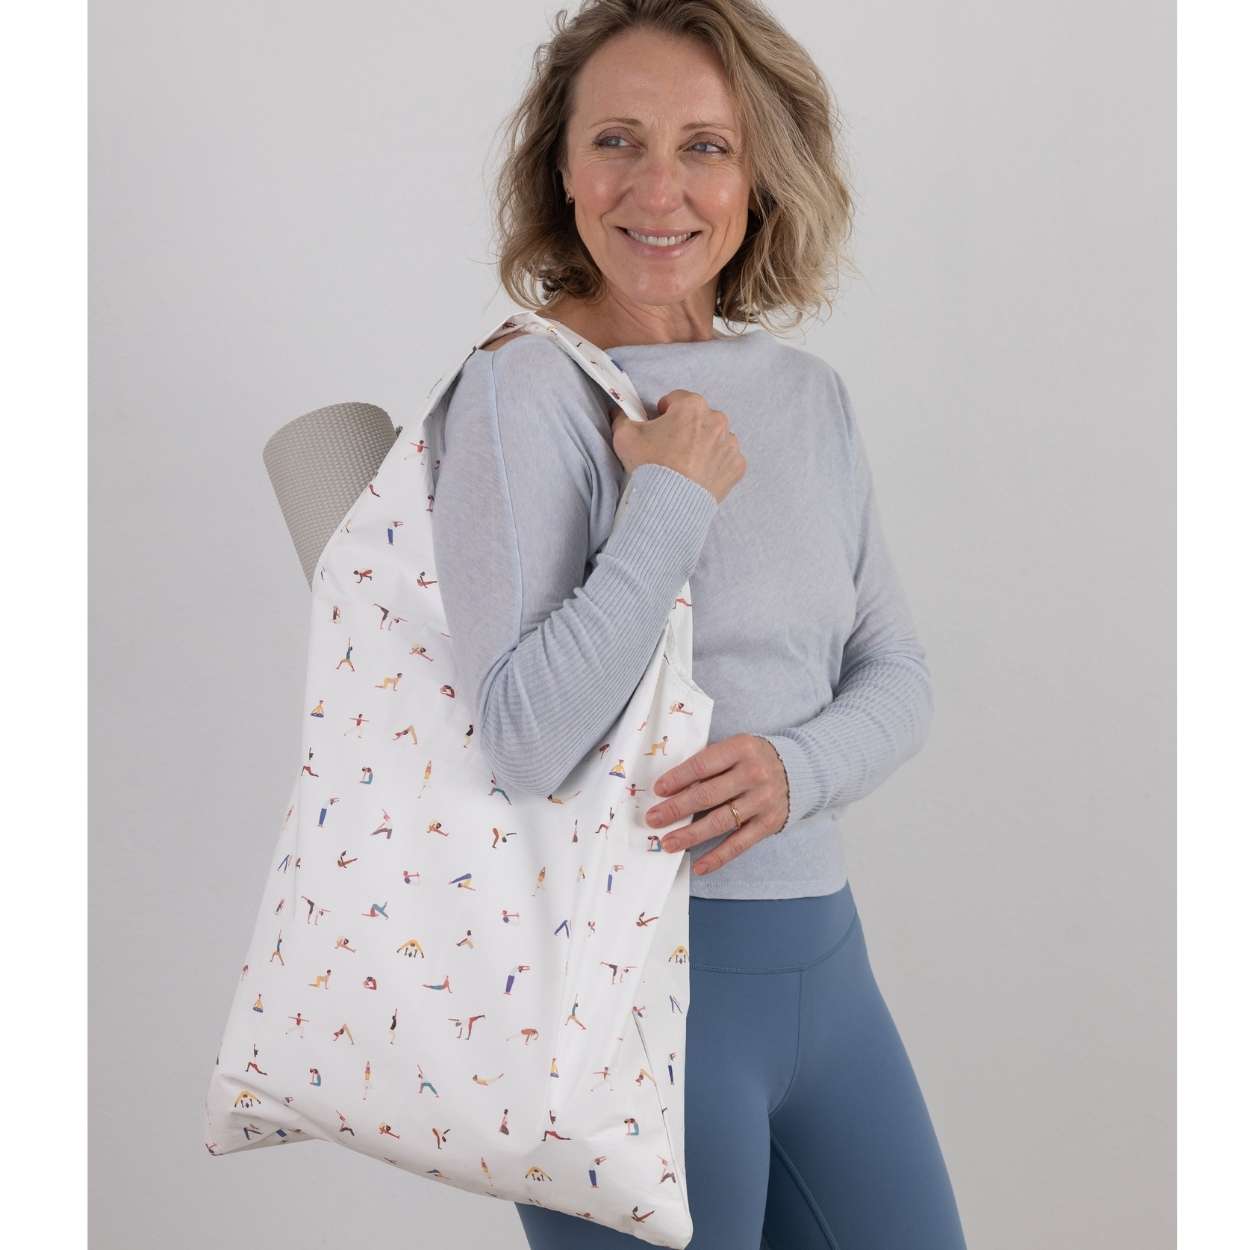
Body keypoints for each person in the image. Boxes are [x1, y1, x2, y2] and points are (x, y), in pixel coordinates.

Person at [430, 2, 967, 1246]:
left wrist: (795, 766)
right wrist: (668, 498)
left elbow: (895, 668)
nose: (656, 188)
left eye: (704, 146)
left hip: (827, 975)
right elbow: (520, 734)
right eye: (615, 140)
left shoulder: (806, 395)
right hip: (615, 994)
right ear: (561, 169)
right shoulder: (523, 391)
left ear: (759, 173)